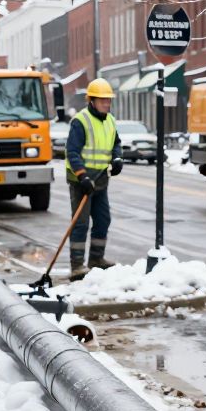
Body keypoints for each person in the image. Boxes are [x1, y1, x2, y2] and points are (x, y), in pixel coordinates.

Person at [65, 78, 124, 280]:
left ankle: (96, 259)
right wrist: (82, 176)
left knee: (103, 219)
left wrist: (117, 158)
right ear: (91, 101)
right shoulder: (80, 121)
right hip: (81, 181)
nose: (107, 104)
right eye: (102, 101)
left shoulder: (110, 120)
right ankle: (77, 265)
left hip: (100, 179)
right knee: (81, 223)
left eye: (108, 101)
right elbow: (72, 152)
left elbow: (116, 143)